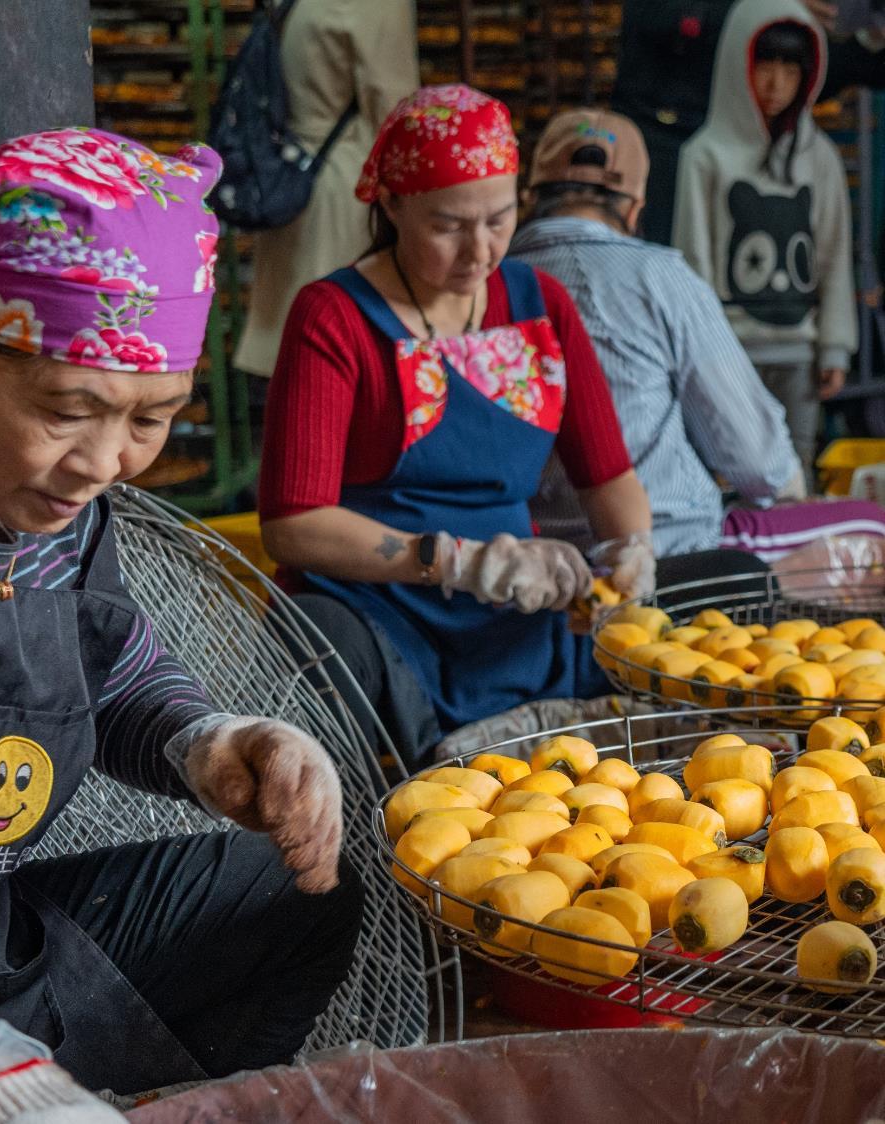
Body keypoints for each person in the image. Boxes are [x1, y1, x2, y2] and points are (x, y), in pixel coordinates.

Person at [0, 128, 360, 1124]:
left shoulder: (38, 494)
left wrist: (210, 741)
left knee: (293, 900)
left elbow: (106, 663)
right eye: (68, 409)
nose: (106, 464)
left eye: (150, 418)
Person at [257, 86, 654, 770]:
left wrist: (632, 552)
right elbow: (292, 525)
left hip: (516, 612)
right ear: (391, 205)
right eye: (448, 226)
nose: (480, 251)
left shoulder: (540, 305)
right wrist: (458, 562)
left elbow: (608, 477)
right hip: (382, 614)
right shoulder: (334, 317)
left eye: (500, 220)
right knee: (319, 642)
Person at [510, 109, 804, 558]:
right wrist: (790, 488)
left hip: (531, 555)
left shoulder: (492, 283)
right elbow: (757, 459)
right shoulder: (657, 275)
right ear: (634, 208)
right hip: (666, 547)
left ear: (529, 198)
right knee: (869, 524)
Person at [673, 0, 858, 487]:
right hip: (730, 349)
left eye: (791, 70)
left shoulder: (819, 158)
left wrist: (835, 346)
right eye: (764, 66)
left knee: (799, 469)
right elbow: (694, 260)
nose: (776, 84)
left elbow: (834, 254)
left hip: (799, 349)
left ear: (808, 77)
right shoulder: (704, 156)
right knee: (729, 473)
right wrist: (703, 353)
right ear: (739, 64)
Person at [232, 0, 419, 378]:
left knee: (295, 352)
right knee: (341, 350)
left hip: (296, 176)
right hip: (348, 188)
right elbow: (396, 114)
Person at [612, 0, 884, 244]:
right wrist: (765, 9)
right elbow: (658, 19)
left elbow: (807, 71)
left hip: (756, 150)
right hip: (667, 141)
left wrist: (868, 42)